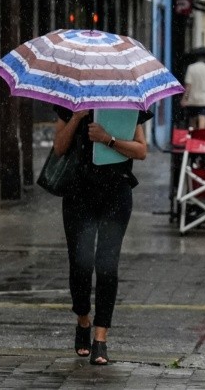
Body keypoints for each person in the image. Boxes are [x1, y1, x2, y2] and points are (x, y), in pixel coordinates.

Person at [52, 106, 151, 365]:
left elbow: (141, 150)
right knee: (81, 263)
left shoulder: (126, 106)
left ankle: (100, 337)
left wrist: (108, 139)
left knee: (107, 265)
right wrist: (76, 118)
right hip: (78, 194)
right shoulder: (69, 103)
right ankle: (83, 319)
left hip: (116, 192)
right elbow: (59, 148)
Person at [181, 55, 205, 130]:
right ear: (204, 59)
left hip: (193, 99)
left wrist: (185, 98)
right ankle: (200, 138)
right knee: (202, 119)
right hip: (204, 100)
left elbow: (188, 85)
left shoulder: (191, 68)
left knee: (192, 120)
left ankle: (192, 138)